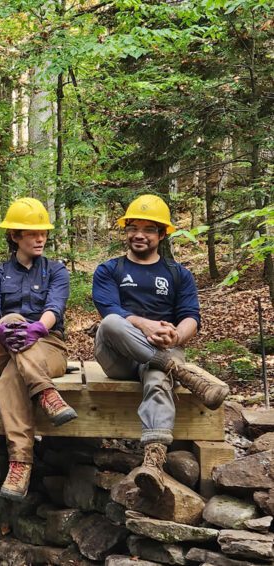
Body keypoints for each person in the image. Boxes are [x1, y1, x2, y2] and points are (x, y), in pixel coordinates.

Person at [92, 194, 228, 500]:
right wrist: (146, 325)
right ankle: (178, 369)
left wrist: (176, 337)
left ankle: (153, 461)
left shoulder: (178, 274)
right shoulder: (109, 270)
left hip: (161, 350)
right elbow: (108, 308)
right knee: (112, 323)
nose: (139, 234)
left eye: (148, 229)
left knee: (156, 379)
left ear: (162, 234)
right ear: (126, 231)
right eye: (133, 227)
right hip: (117, 355)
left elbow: (191, 317)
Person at [0, 198, 74, 501]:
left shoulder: (56, 271)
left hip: (48, 347)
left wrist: (39, 328)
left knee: (12, 377)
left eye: (43, 233)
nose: (40, 238)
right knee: (13, 318)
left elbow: (54, 308)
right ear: (15, 236)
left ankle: (20, 463)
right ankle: (46, 394)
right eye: (32, 233)